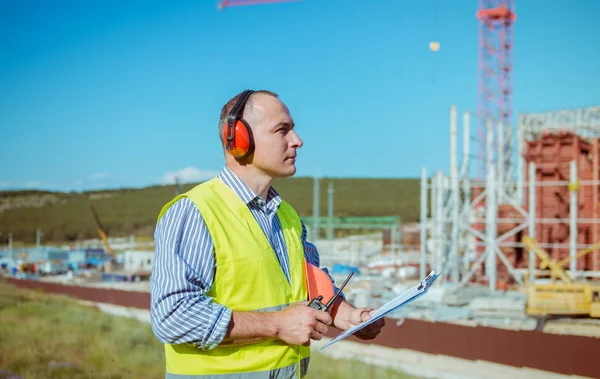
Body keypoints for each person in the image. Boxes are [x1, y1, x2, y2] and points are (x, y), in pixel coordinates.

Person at [150, 89, 385, 378]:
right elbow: (172, 316)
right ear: (236, 139)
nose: (297, 141)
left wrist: (350, 317)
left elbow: (313, 288)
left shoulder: (287, 217)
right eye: (282, 130)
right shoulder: (195, 212)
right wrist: (277, 325)